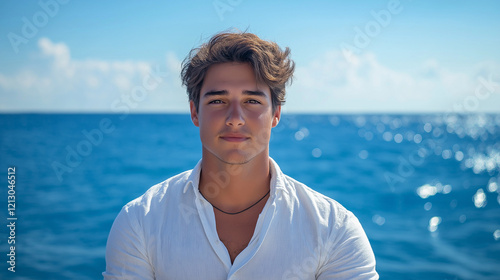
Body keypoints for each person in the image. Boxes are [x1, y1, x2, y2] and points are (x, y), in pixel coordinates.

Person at [103, 31, 378, 279]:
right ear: (195, 112)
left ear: (276, 114)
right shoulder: (139, 222)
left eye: (252, 101)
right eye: (218, 101)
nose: (235, 118)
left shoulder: (335, 231)